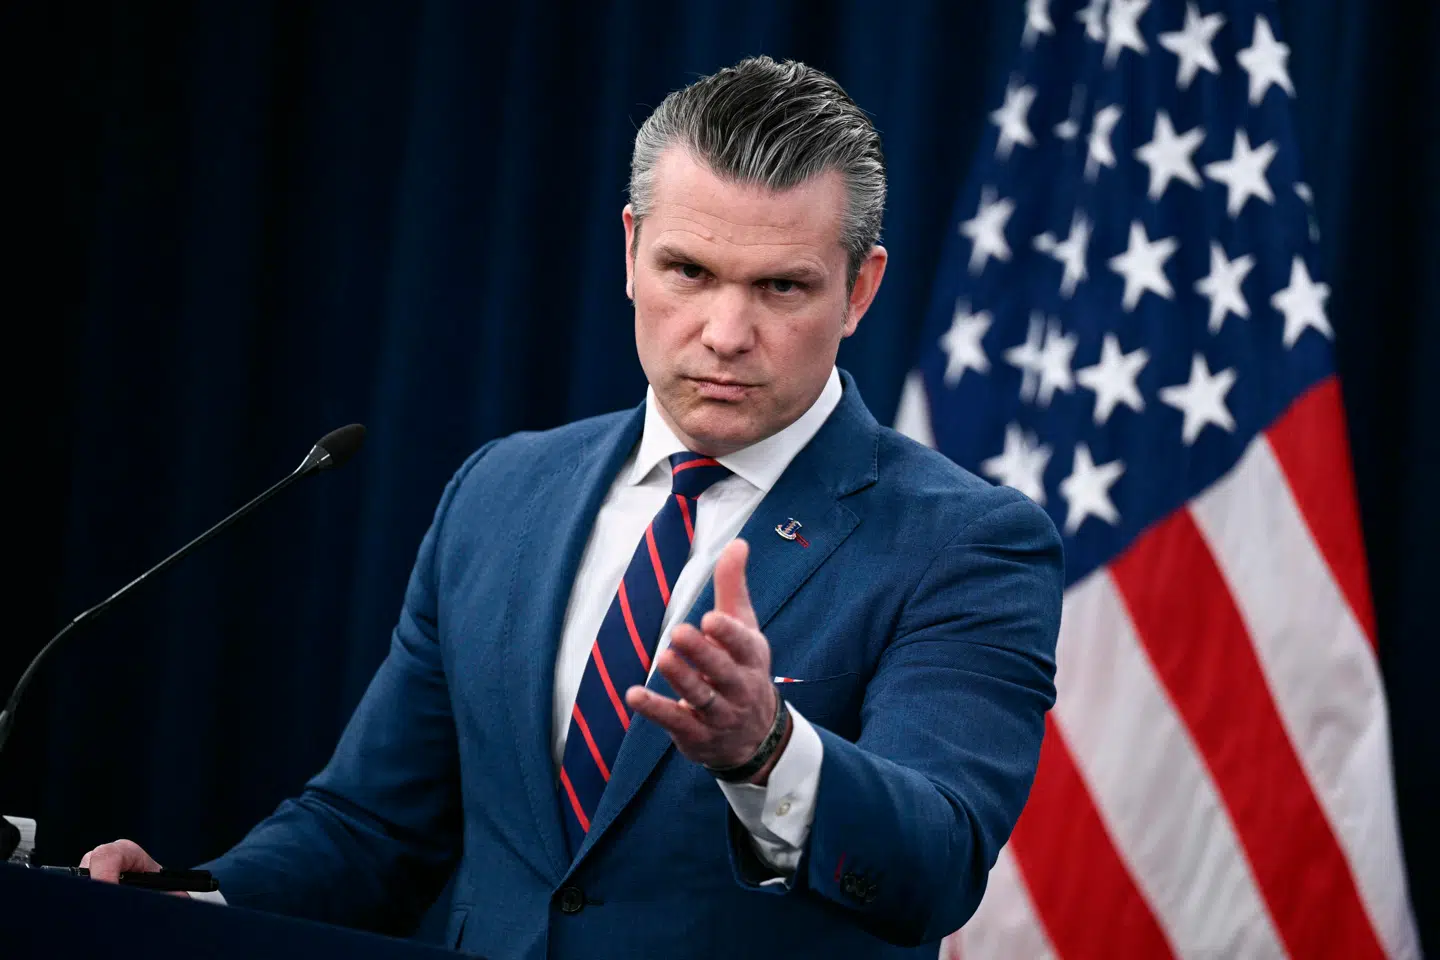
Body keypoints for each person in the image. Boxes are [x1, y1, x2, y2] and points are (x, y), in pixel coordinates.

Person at [81, 56, 1063, 959]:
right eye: (689, 271)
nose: (726, 332)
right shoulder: (500, 491)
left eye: (781, 287)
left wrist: (770, 752)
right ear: (631, 251)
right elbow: (375, 827)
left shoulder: (966, 543)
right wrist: (194, 900)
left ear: (859, 291)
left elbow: (936, 868)